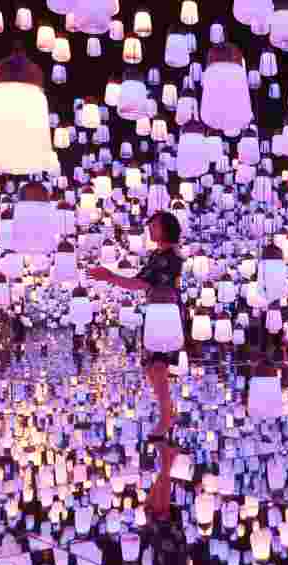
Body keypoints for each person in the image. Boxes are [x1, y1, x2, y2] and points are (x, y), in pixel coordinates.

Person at [89, 210, 185, 517]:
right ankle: (167, 416)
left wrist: (110, 277)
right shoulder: (160, 255)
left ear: (166, 228)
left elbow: (142, 285)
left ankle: (166, 418)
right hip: (159, 312)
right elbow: (143, 284)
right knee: (154, 368)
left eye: (154, 224)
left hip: (163, 312)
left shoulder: (168, 257)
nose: (150, 228)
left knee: (157, 367)